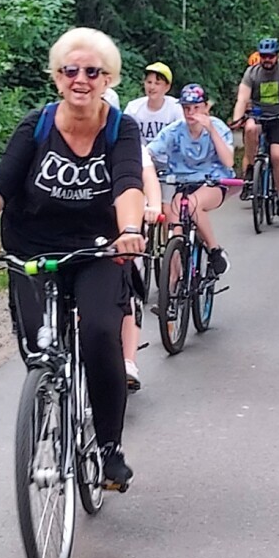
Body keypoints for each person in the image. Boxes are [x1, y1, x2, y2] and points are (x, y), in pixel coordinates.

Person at [0, 27, 145, 488]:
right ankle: (49, 396)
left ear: (108, 78)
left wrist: (131, 231)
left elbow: (127, 183)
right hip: (32, 247)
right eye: (70, 70)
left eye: (92, 72)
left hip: (97, 248)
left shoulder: (120, 128)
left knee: (100, 332)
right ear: (58, 78)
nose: (81, 79)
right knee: (39, 347)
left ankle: (109, 447)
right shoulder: (36, 126)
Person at [147, 83, 234, 275]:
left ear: (205, 108)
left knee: (192, 204)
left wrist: (211, 130)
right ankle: (170, 292)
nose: (191, 113)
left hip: (213, 182)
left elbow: (228, 162)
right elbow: (150, 151)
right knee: (174, 227)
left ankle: (214, 250)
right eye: (186, 108)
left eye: (196, 108)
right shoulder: (174, 131)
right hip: (183, 183)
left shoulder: (218, 127)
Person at [231, 36, 279, 216]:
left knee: (277, 155)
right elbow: (242, 98)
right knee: (250, 128)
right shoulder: (252, 73)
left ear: (277, 56)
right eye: (263, 56)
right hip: (258, 116)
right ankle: (251, 168)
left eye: (270, 56)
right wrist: (237, 119)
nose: (267, 60)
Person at [121, 142, 164, 393]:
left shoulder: (127, 142)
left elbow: (148, 175)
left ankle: (128, 362)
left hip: (129, 225)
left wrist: (154, 206)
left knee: (127, 289)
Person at [124, 61, 183, 142]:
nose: (152, 87)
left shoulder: (176, 107)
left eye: (157, 83)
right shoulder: (133, 108)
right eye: (149, 82)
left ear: (167, 87)